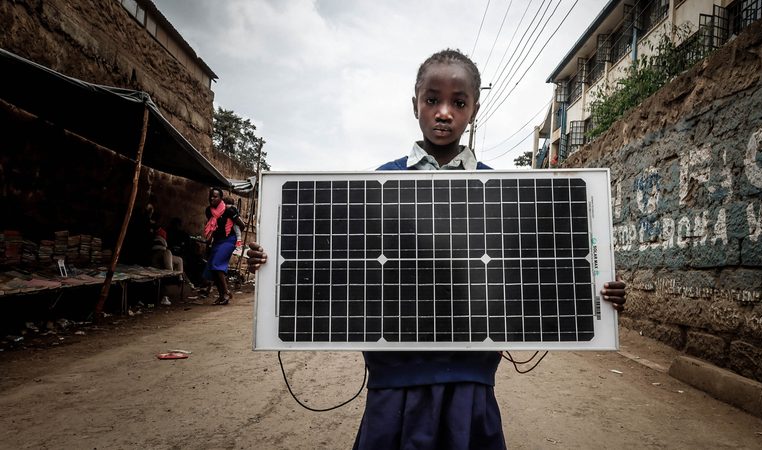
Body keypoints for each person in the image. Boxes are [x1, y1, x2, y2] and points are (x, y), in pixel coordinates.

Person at [246, 49, 626, 449]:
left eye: (458, 103)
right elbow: (335, 264)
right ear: (415, 105)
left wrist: (600, 293)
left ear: (473, 110)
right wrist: (272, 261)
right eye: (433, 100)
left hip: (469, 376)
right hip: (395, 377)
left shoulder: (501, 193)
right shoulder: (378, 184)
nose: (444, 112)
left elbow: (537, 271)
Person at [204, 187, 246, 305]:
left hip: (229, 240)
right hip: (217, 241)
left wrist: (234, 234)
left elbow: (242, 225)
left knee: (217, 264)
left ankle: (226, 292)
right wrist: (209, 241)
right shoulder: (209, 211)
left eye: (215, 196)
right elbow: (212, 227)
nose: (212, 198)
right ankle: (222, 295)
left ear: (221, 198)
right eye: (211, 196)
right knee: (212, 267)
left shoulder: (229, 210)